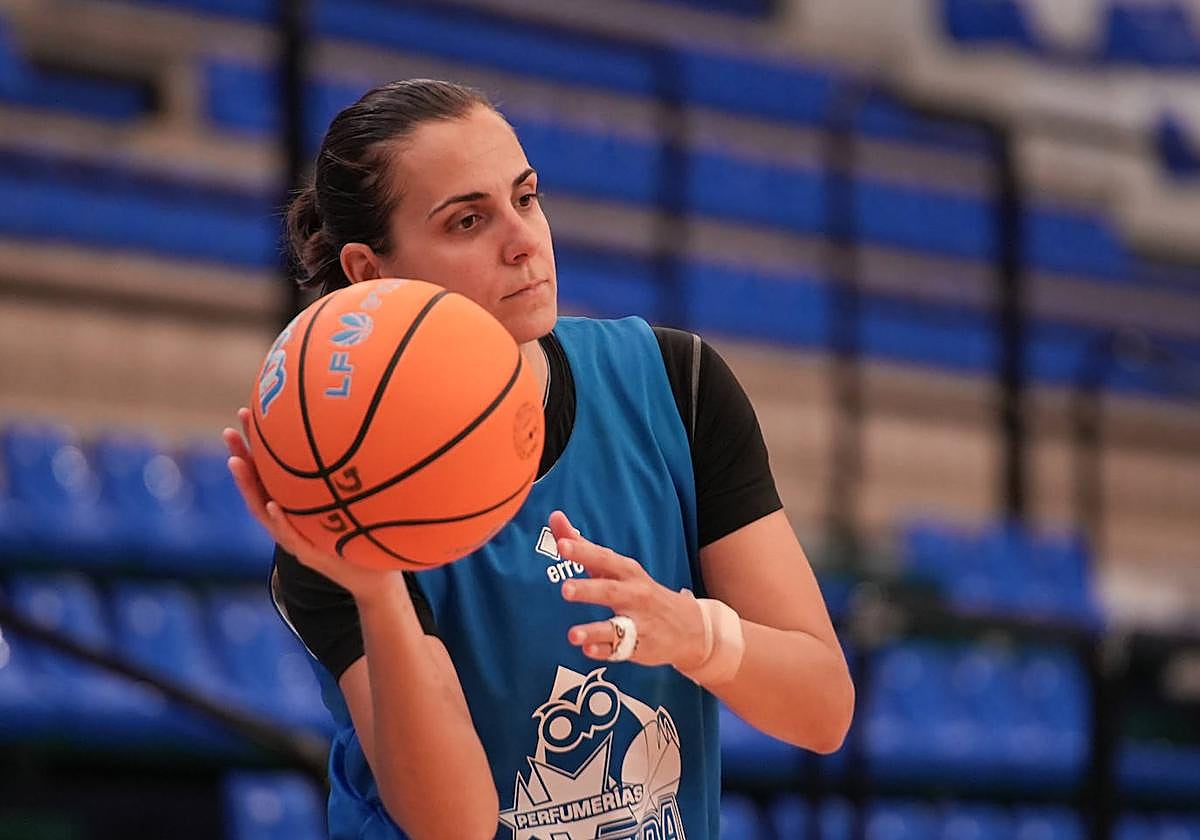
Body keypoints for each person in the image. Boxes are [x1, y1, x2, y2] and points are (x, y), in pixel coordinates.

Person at [223, 78, 853, 840]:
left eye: (526, 197)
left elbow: (824, 708)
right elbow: (454, 827)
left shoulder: (675, 384)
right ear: (368, 272)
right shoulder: (339, 491)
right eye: (468, 220)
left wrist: (695, 633)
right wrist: (379, 589)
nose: (523, 239)